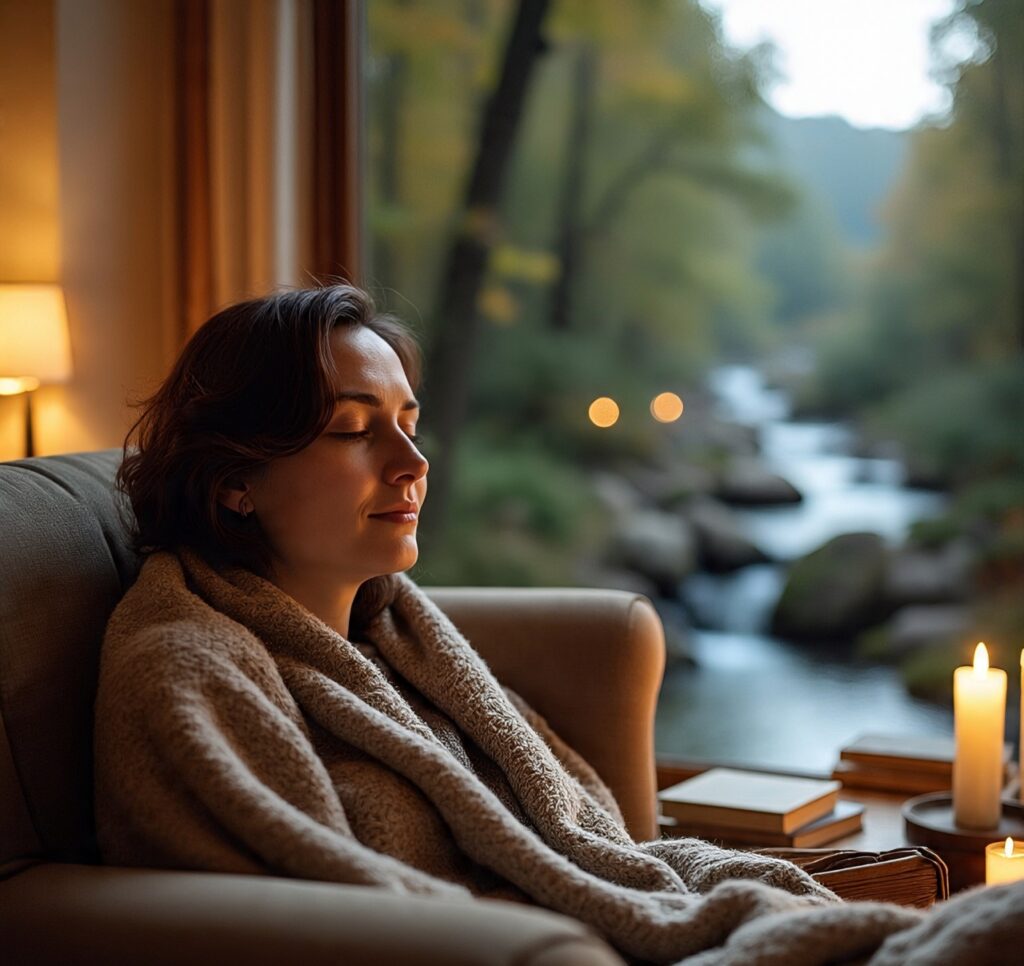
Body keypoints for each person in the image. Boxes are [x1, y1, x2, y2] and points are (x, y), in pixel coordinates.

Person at [94, 284, 1021, 964]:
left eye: (410, 423)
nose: (412, 461)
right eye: (352, 428)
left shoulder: (393, 636)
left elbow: (589, 842)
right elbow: (308, 921)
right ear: (233, 479)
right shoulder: (187, 667)